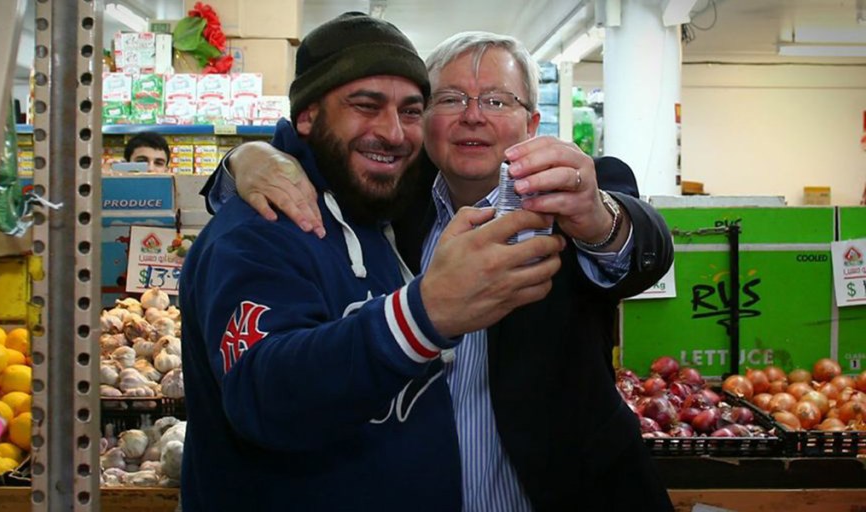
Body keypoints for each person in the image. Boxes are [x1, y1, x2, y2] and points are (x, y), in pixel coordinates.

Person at [204, 31, 675, 511]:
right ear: (425, 123)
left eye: (497, 100)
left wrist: (599, 219)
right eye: (450, 99)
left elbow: (645, 247)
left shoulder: (571, 194)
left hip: (564, 494)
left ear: (531, 123)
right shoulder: (393, 197)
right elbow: (318, 166)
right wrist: (243, 159)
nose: (473, 115)